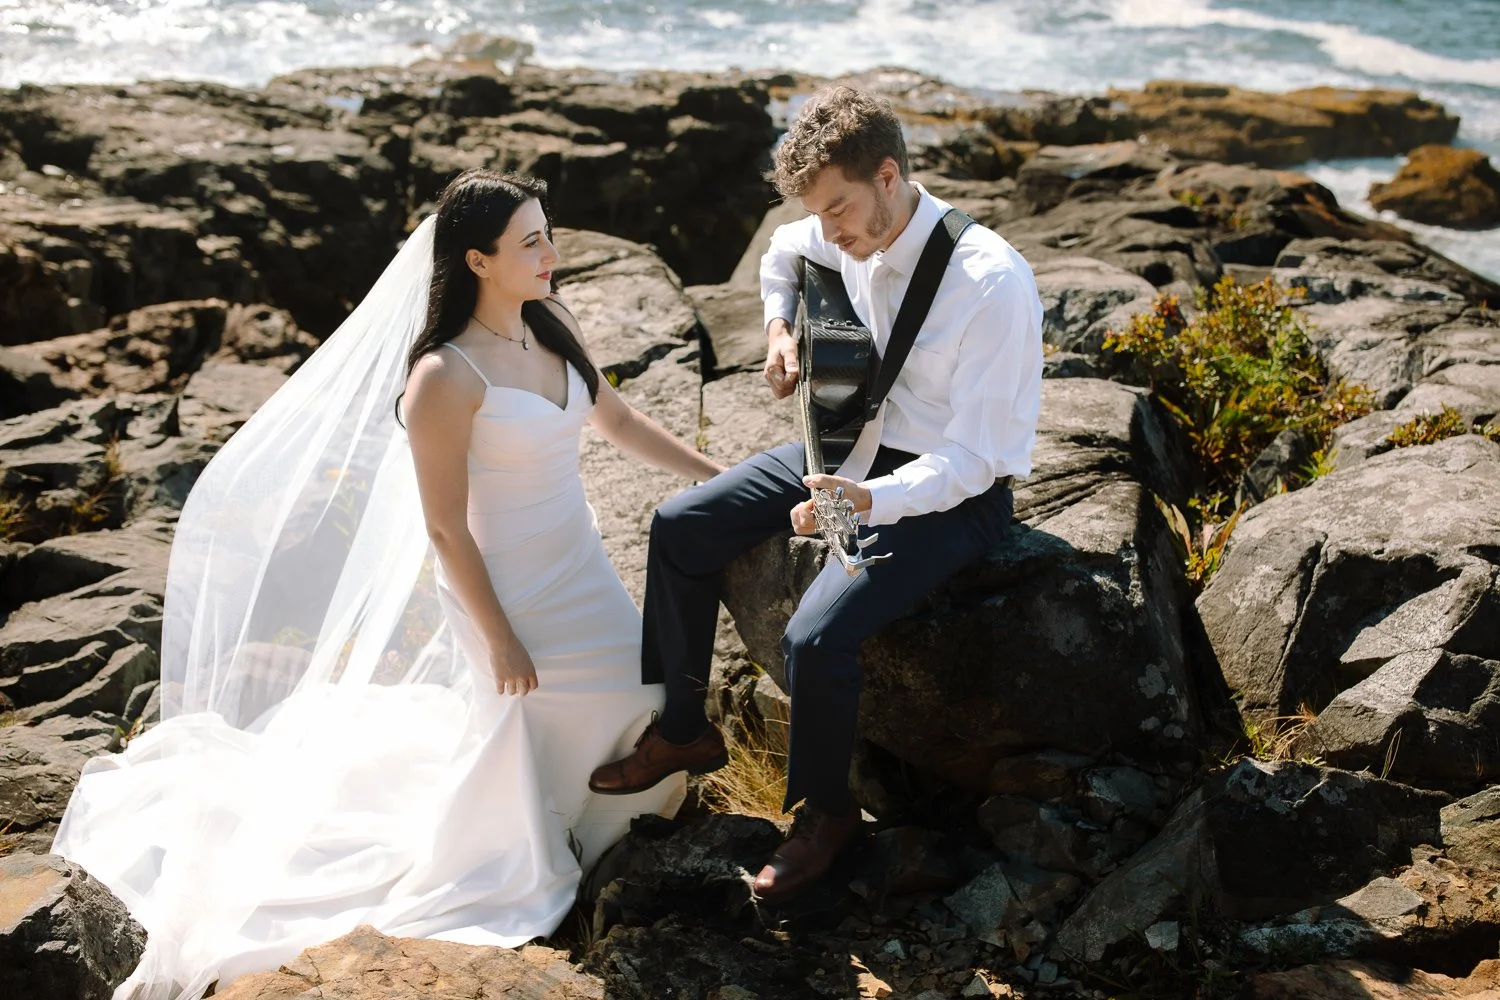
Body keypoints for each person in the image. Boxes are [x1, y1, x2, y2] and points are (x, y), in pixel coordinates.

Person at [51, 169, 724, 1000]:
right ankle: (545, 849)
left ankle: (594, 841)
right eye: (530, 243)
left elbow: (617, 422)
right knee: (575, 713)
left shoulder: (552, 324)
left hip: (578, 567)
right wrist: (500, 635)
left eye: (548, 233)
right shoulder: (443, 375)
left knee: (648, 691)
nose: (551, 254)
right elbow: (444, 527)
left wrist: (723, 478)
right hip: (508, 591)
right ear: (478, 260)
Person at [588, 86, 1044, 902]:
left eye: (839, 209)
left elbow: (980, 458)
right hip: (844, 447)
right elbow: (781, 255)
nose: (828, 230)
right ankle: (686, 732)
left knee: (814, 639)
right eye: (820, 213)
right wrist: (778, 328)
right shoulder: (840, 229)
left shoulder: (990, 283)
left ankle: (828, 817)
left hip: (948, 489)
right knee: (679, 524)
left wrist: (863, 502)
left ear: (890, 176)